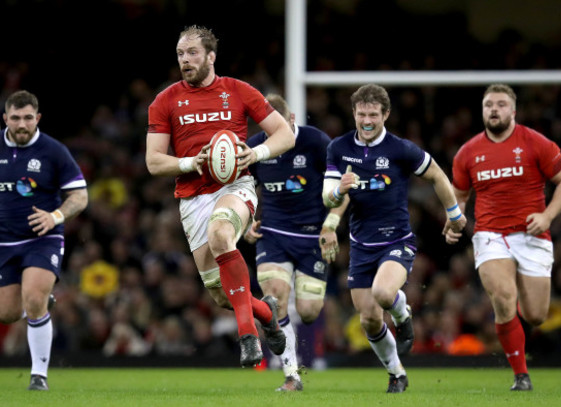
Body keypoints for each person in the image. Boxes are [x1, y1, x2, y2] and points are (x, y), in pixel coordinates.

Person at [146, 25, 294, 367]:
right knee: (222, 294)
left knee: (221, 234)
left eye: (192, 53)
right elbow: (153, 161)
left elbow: (285, 135)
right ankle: (264, 313)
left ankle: (248, 336)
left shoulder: (239, 91)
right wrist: (189, 162)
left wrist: (254, 155)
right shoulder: (165, 101)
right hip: (192, 196)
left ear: (211, 56)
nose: (185, 60)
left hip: (235, 186)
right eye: (181, 54)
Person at [322, 84, 466, 393]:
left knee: (384, 294)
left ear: (386, 114)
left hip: (396, 241)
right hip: (361, 247)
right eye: (362, 114)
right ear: (354, 113)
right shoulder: (338, 148)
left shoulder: (401, 149)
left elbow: (438, 176)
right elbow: (328, 199)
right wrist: (339, 190)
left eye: (374, 114)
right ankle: (397, 372)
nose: (367, 120)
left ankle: (402, 312)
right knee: (369, 321)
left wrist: (454, 214)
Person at [443, 84, 561, 391]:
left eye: (501, 104)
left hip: (532, 236)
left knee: (536, 315)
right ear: (482, 111)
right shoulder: (468, 152)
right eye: (488, 104)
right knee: (503, 299)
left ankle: (515, 313)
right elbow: (459, 195)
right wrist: (454, 219)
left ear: (513, 111)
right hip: (490, 235)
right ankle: (521, 375)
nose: (494, 109)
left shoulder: (535, 142)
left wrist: (547, 216)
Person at [0, 90, 88, 391]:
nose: (22, 124)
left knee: (33, 300)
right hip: (4, 242)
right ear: (5, 119)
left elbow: (80, 195)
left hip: (42, 239)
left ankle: (39, 376)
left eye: (28, 118)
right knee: (5, 314)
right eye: (15, 118)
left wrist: (55, 216)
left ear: (37, 118)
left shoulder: (53, 151)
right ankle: (42, 302)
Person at [244, 93, 346, 391]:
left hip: (312, 238)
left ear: (291, 121)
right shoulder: (254, 147)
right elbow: (242, 189)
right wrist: (248, 222)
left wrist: (330, 224)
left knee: (309, 311)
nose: (273, 135)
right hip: (273, 235)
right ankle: (292, 376)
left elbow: (343, 186)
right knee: (274, 299)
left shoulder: (316, 143)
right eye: (267, 129)